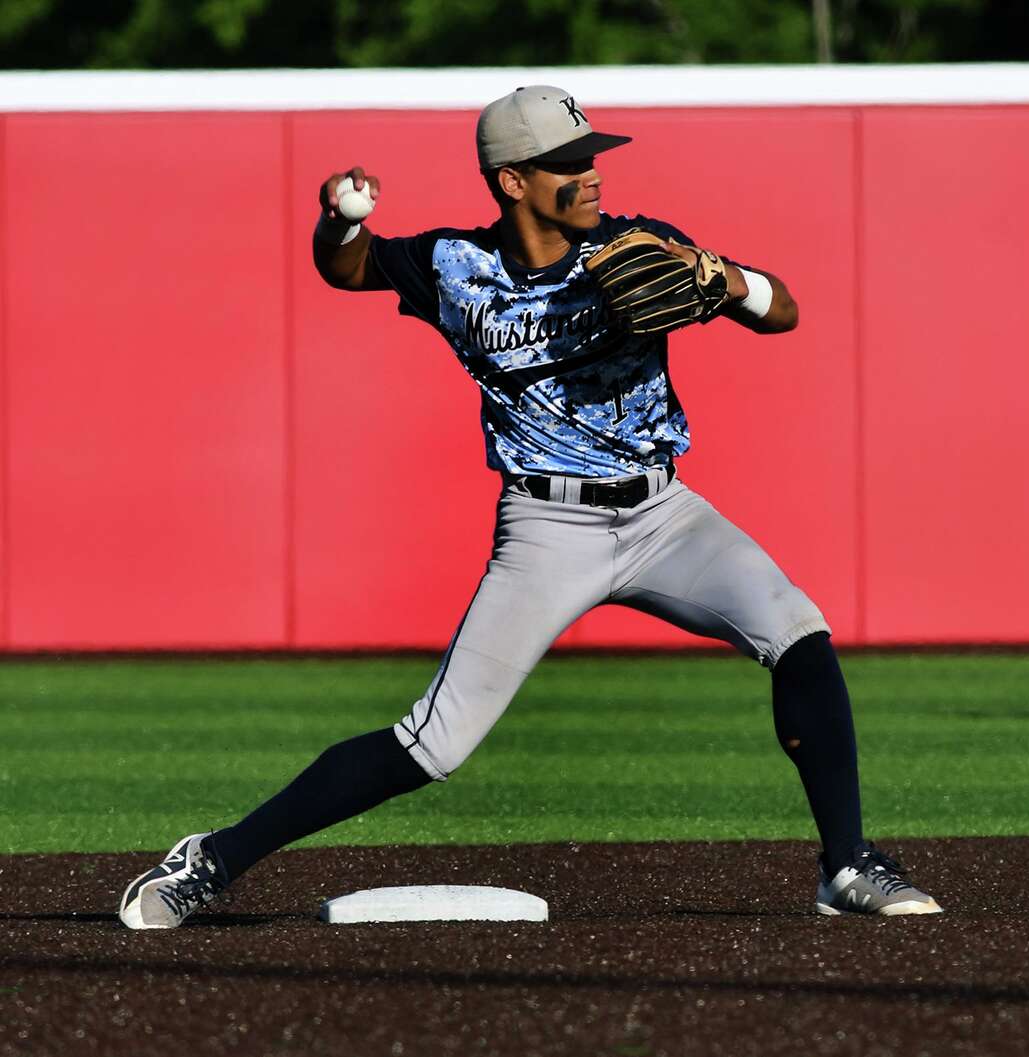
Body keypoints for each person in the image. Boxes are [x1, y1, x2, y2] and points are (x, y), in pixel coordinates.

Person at [118, 86, 941, 929]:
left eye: (591, 159)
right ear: (512, 181)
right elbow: (348, 267)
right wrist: (339, 220)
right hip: (548, 528)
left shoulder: (636, 243)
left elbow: (784, 311)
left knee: (799, 635)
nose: (590, 176)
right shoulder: (453, 266)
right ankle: (212, 860)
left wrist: (725, 280)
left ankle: (845, 865)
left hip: (665, 515)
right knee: (434, 742)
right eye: (567, 164)